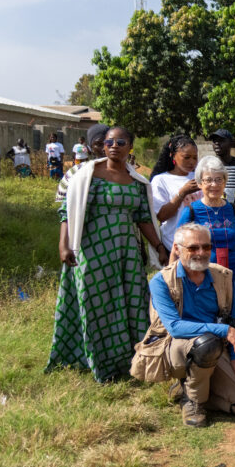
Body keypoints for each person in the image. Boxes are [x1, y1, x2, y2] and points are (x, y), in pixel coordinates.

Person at [46, 126, 168, 383]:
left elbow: (144, 218)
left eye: (121, 141)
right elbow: (68, 212)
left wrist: (158, 246)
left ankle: (131, 361)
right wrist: (63, 245)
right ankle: (96, 360)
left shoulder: (136, 181)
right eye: (109, 142)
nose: (114, 145)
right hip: (93, 250)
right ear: (102, 146)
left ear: (129, 147)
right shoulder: (86, 176)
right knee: (95, 302)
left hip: (126, 253)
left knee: (131, 302)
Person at [132, 223, 235, 427]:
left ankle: (189, 391)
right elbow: (174, 327)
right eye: (193, 248)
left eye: (206, 247)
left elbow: (230, 317)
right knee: (206, 343)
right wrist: (224, 331)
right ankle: (194, 402)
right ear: (176, 249)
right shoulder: (161, 281)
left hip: (215, 347)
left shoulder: (223, 277)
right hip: (176, 347)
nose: (201, 253)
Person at [173, 155, 235, 304]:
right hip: (201, 277)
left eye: (219, 179)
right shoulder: (191, 211)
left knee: (229, 318)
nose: (214, 184)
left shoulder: (233, 210)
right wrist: (173, 279)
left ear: (225, 182)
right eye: (208, 180)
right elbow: (176, 249)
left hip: (231, 276)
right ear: (200, 183)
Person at [150, 134, 202, 254]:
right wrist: (182, 193)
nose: (192, 162)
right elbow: (161, 216)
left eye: (195, 158)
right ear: (173, 155)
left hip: (199, 243)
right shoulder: (161, 180)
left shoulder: (199, 178)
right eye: (186, 157)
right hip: (173, 244)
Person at [56, 123, 108, 204]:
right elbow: (64, 205)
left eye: (109, 143)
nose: (105, 148)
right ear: (92, 147)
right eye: (99, 144)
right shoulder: (75, 172)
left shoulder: (126, 172)